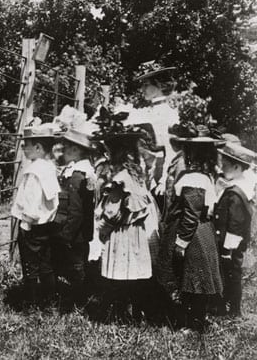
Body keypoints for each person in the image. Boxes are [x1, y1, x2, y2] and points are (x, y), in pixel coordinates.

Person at [92, 107, 160, 322]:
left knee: (120, 274)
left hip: (122, 233)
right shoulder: (136, 175)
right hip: (136, 233)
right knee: (134, 273)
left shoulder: (120, 179)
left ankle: (118, 314)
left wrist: (101, 230)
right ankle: (135, 313)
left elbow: (113, 212)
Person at [156, 124, 223, 332]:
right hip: (200, 232)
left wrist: (181, 241)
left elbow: (191, 213)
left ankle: (194, 323)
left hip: (193, 235)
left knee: (193, 280)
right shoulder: (203, 175)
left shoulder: (194, 178)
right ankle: (190, 320)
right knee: (191, 279)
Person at [11, 122, 60, 308]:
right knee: (46, 264)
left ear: (38, 147)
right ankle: (50, 299)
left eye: (26, 145)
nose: (23, 149)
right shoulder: (49, 168)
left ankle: (30, 302)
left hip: (32, 226)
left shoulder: (33, 172)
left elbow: (31, 201)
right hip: (47, 224)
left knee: (30, 265)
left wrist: (26, 224)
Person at [53, 127, 96, 307]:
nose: (64, 152)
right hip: (81, 232)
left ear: (77, 151)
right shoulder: (84, 172)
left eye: (68, 148)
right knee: (78, 263)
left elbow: (76, 211)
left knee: (76, 265)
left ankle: (79, 300)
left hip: (75, 232)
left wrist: (66, 235)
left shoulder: (77, 177)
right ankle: (81, 296)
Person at [127, 61, 179, 211]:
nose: (142, 89)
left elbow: (171, 149)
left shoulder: (167, 113)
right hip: (146, 171)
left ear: (159, 85)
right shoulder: (147, 111)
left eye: (146, 84)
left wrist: (163, 180)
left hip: (161, 172)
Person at [214, 140, 256, 317]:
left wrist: (227, 249)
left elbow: (235, 225)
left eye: (226, 164)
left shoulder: (237, 194)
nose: (221, 166)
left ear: (238, 167)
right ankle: (224, 306)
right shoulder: (233, 188)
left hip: (230, 244)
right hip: (227, 242)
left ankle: (234, 310)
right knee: (227, 274)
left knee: (232, 274)